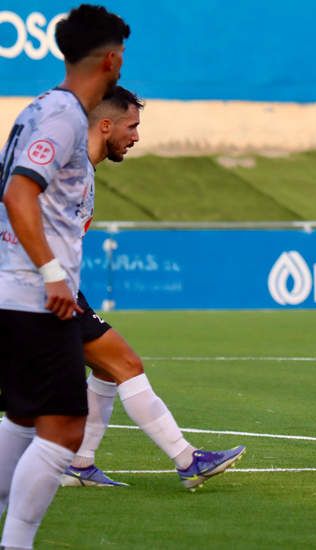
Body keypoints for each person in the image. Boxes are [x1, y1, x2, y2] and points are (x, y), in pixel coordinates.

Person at [57, 86, 245, 491]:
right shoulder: (70, 169)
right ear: (105, 125)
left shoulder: (80, 168)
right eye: (132, 126)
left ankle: (80, 463)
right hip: (42, 289)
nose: (137, 136)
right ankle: (186, 459)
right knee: (126, 364)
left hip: (56, 286)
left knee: (109, 370)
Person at [0, 5, 128, 548]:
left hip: (14, 288)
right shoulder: (65, 117)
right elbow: (18, 190)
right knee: (65, 427)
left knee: (25, 418)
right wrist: (52, 273)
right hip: (34, 295)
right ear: (112, 60)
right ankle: (18, 543)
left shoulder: (41, 107)